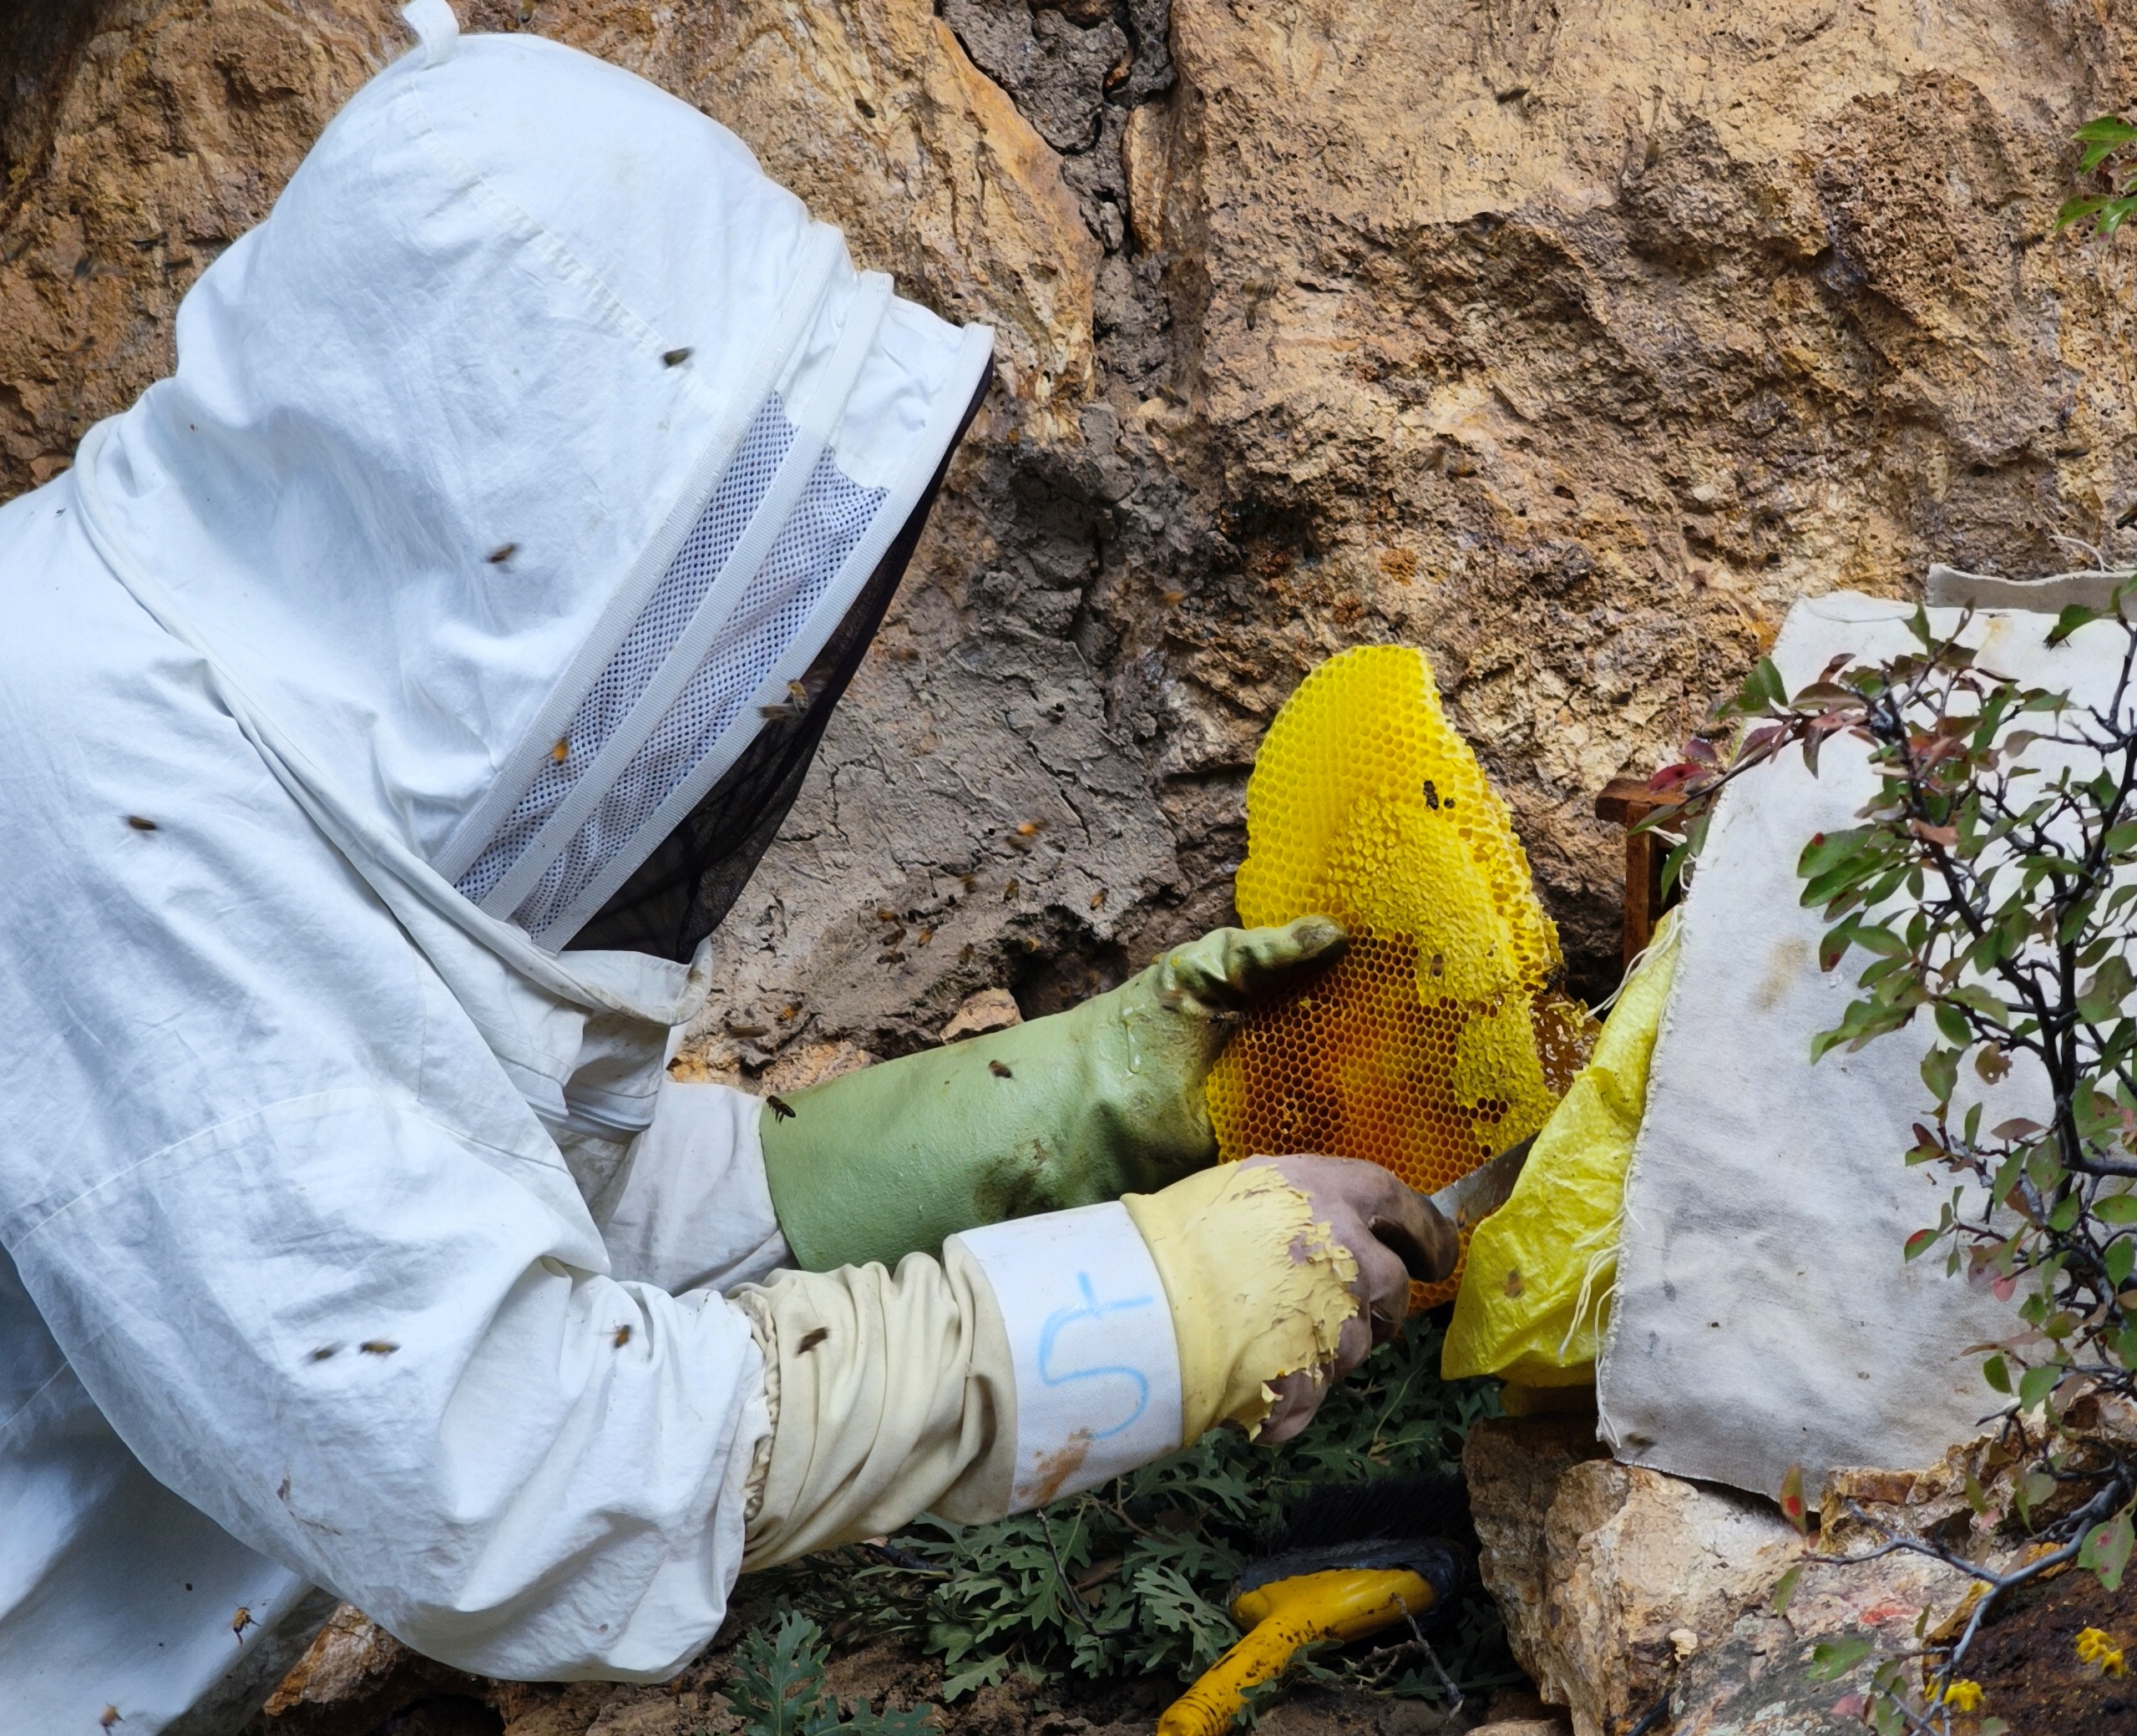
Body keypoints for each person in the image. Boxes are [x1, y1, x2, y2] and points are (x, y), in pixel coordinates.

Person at [0, 6, 1455, 1730]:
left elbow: (450, 1187)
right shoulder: (100, 843)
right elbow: (529, 1469)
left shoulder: (170, 700)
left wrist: (1048, 1104)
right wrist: (1151, 1307)